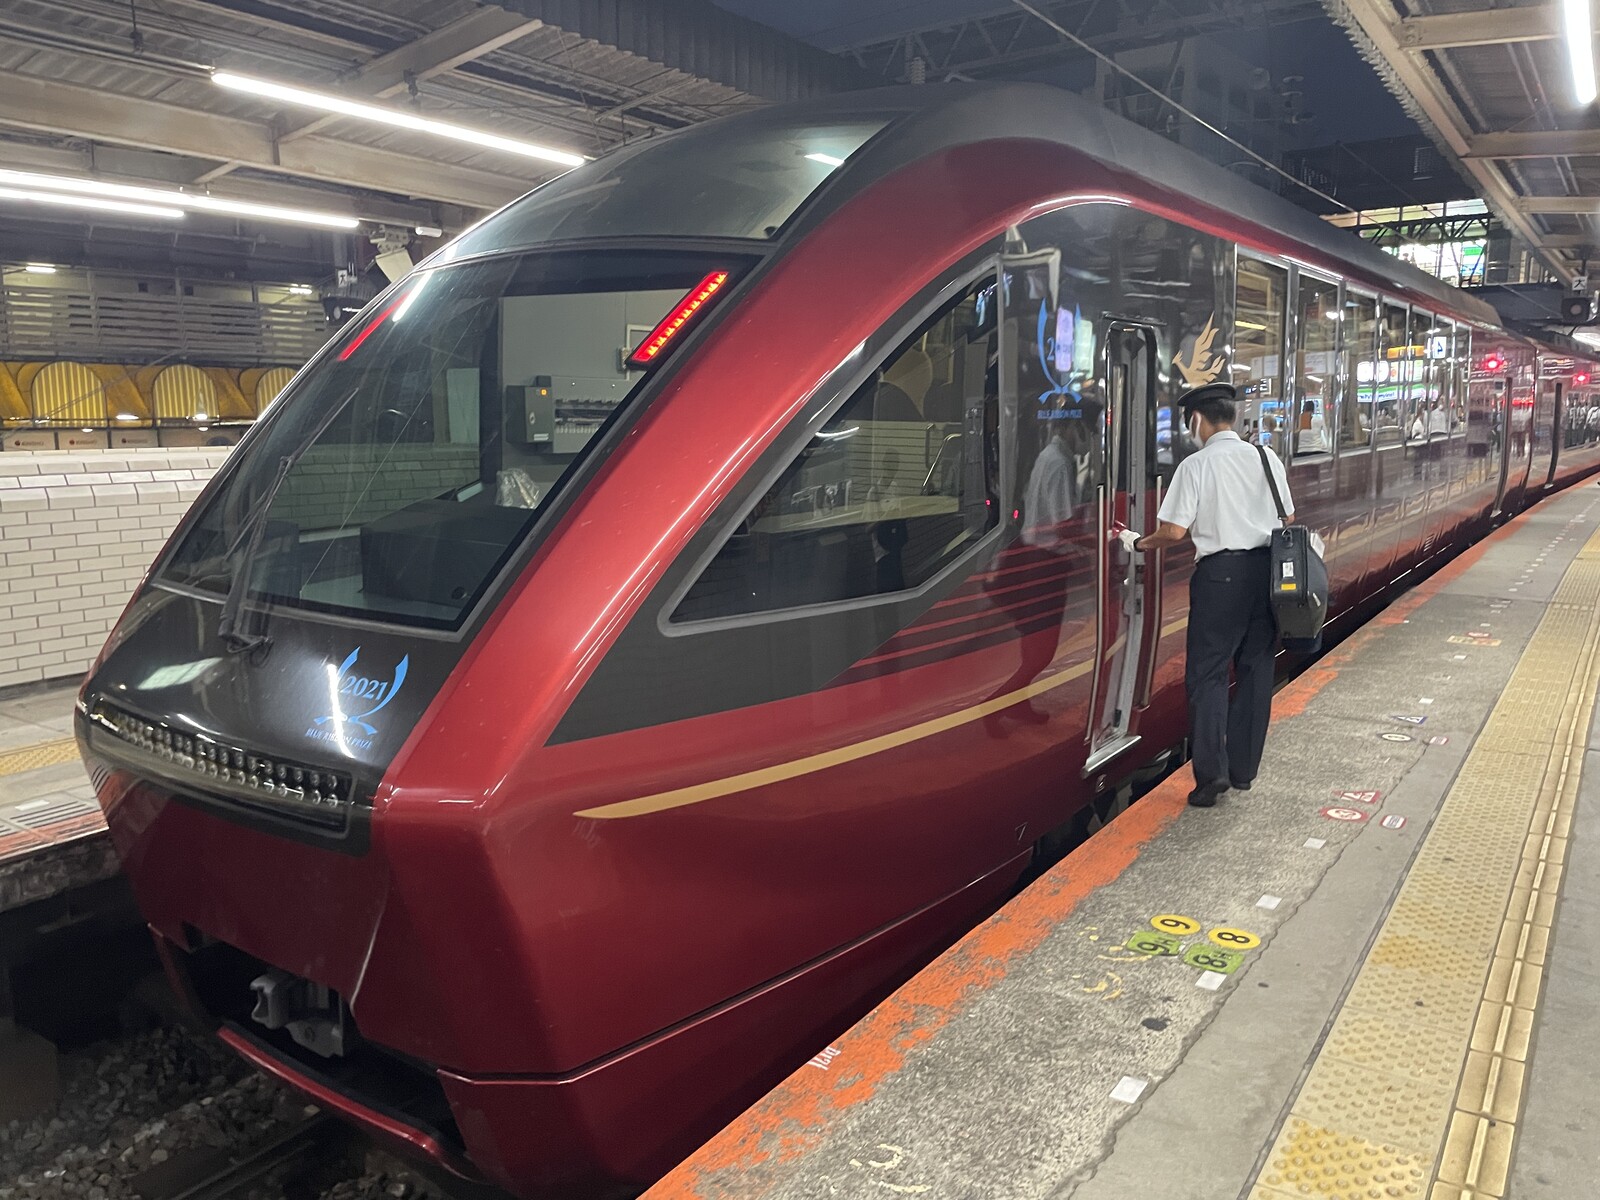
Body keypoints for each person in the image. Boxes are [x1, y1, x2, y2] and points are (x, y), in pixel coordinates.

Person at [1114, 383, 1294, 808]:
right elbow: (1288, 516)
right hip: (1267, 573)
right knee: (1256, 671)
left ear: (1196, 420)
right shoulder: (1266, 458)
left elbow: (1174, 531)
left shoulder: (1195, 466)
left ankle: (1212, 775)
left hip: (1221, 578)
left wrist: (1137, 543)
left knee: (1208, 674)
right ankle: (1243, 771)